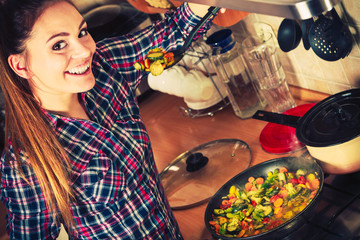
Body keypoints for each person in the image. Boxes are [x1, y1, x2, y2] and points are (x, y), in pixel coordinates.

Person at [0, 0, 217, 239]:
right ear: (20, 65)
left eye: (82, 32)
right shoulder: (24, 163)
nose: (84, 50)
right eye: (59, 45)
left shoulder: (105, 66)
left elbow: (171, 34)